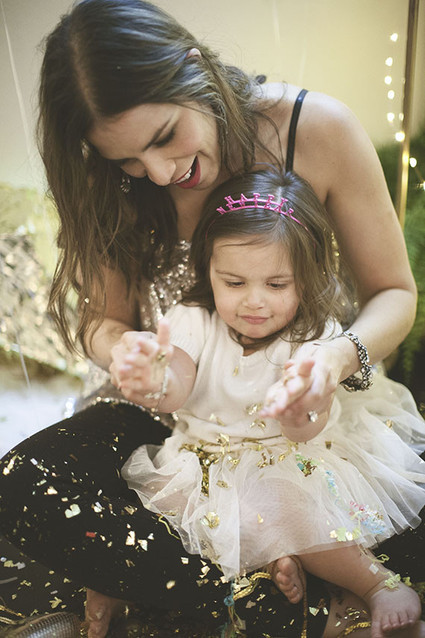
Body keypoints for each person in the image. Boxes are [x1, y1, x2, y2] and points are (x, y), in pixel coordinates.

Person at [0, 0, 422, 636]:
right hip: (171, 414)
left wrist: (333, 358)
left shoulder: (316, 129)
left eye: (164, 136)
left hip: (309, 408)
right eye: (128, 162)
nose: (160, 173)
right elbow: (102, 324)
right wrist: (124, 353)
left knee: (388, 516)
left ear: (194, 69)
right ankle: (282, 587)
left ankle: (205, 584)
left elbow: (394, 292)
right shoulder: (106, 185)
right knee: (24, 484)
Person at [115, 169, 425, 638]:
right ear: (209, 268)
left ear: (306, 278)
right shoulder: (193, 318)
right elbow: (176, 385)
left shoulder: (314, 337)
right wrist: (155, 378)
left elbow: (308, 428)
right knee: (173, 523)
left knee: (292, 506)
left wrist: (300, 412)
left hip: (291, 457)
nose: (254, 302)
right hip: (204, 461)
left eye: (277, 285)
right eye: (234, 282)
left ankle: (376, 583)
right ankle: (278, 559)